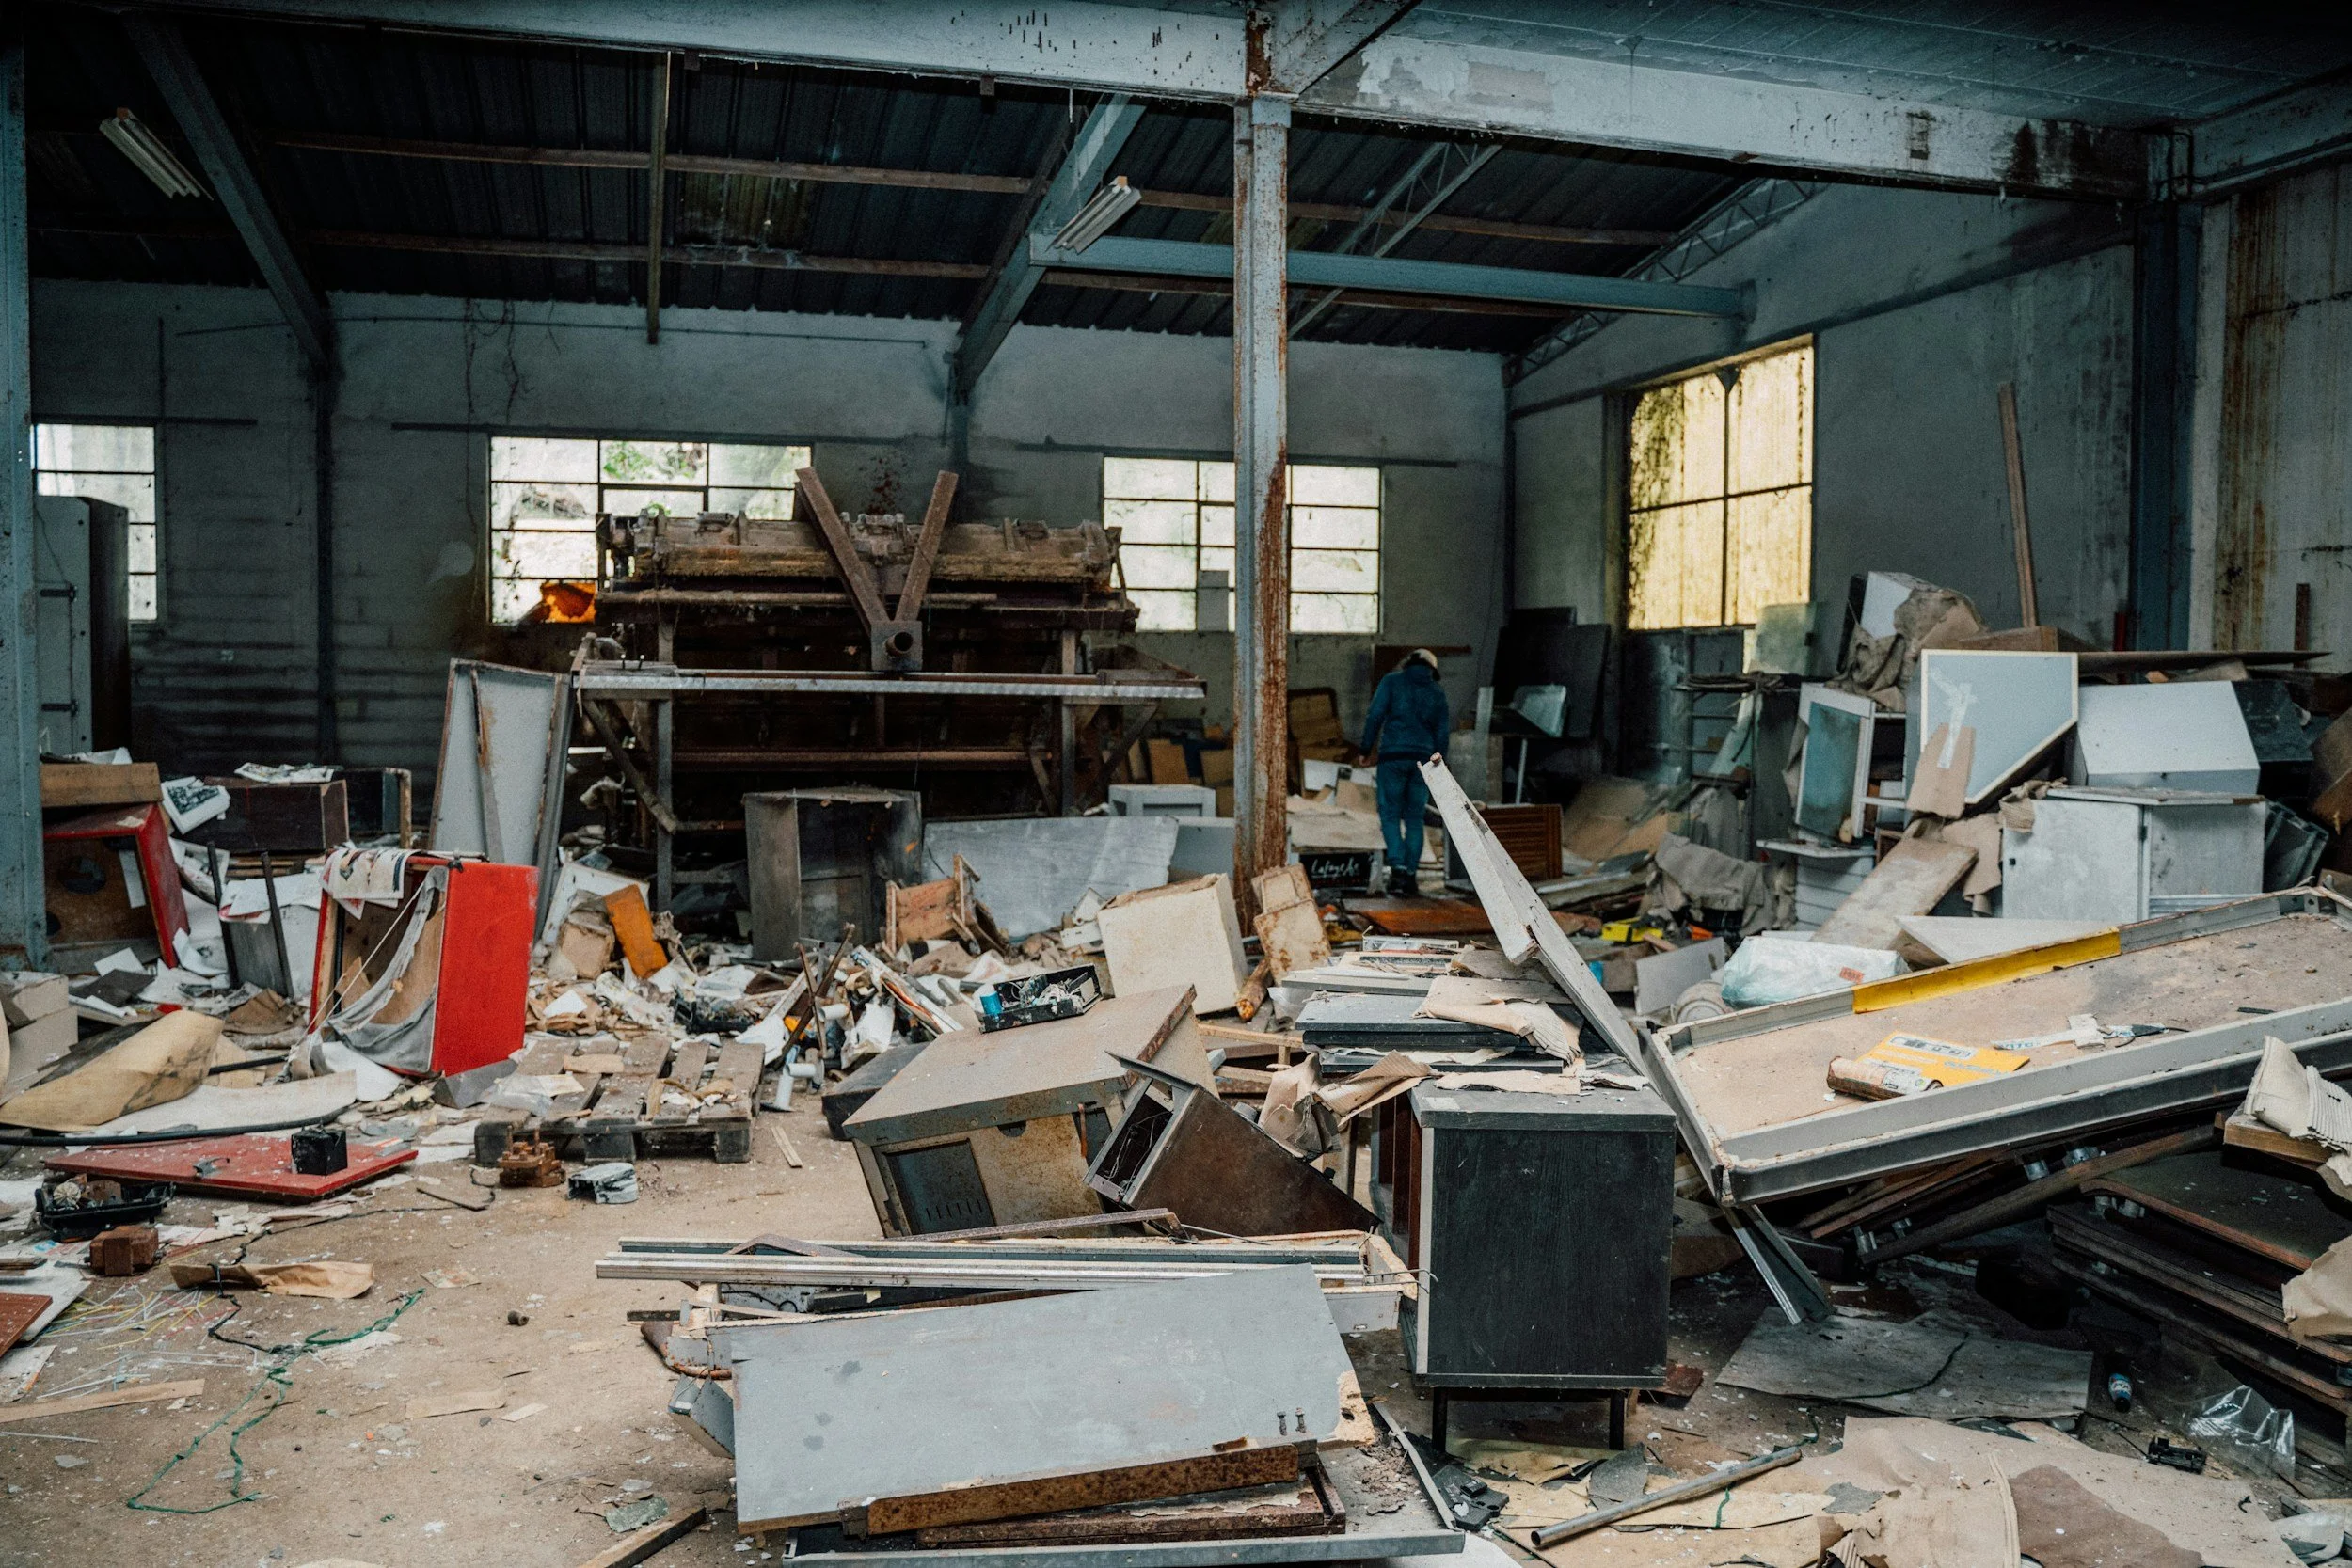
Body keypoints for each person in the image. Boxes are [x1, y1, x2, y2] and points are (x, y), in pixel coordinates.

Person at [1358, 648, 1450, 897]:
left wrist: (1365, 748)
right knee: (1415, 818)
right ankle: (1410, 875)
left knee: (1389, 814)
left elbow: (1375, 715)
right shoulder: (1436, 692)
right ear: (1432, 670)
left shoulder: (1391, 682)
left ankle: (1397, 869)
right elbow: (1442, 732)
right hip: (1423, 762)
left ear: (1409, 663)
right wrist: (1440, 765)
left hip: (1393, 758)